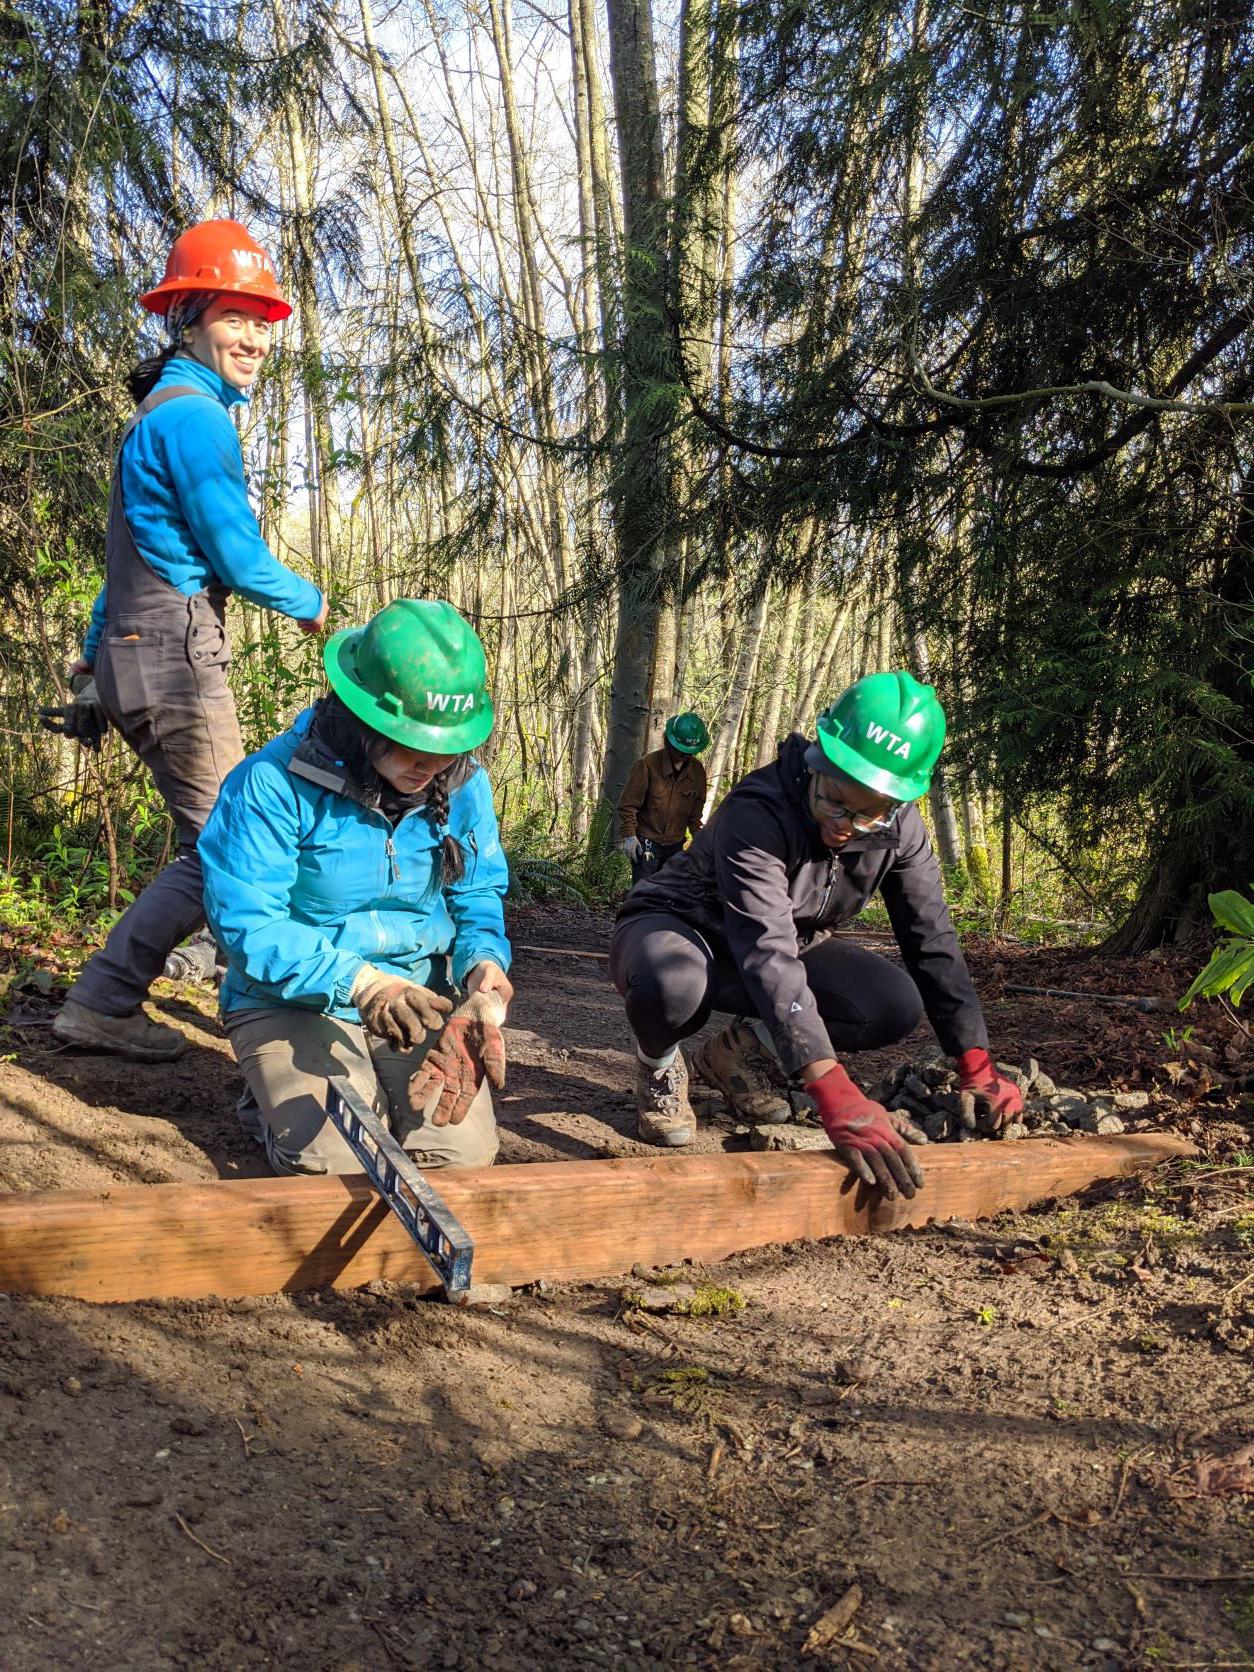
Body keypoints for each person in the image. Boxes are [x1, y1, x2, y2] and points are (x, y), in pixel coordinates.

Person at [45, 220, 327, 1063]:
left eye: (263, 321)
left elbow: (123, 564)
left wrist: (98, 666)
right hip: (175, 658)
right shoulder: (196, 420)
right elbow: (234, 556)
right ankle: (111, 997)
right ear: (191, 318)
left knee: (219, 840)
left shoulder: (154, 415)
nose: (255, 338)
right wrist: (314, 604)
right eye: (235, 318)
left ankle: (152, 991)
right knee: (235, 844)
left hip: (138, 653)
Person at [608, 671, 1023, 1197]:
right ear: (819, 761)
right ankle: (659, 1065)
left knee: (890, 1004)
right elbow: (767, 952)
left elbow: (932, 941)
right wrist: (832, 1090)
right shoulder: (758, 810)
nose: (845, 824)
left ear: (898, 803)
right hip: (681, 928)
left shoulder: (901, 834)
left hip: (785, 946)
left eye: (868, 814)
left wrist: (976, 1063)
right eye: (833, 800)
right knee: (673, 985)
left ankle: (736, 1051)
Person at [198, 599, 513, 1179]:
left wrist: (483, 970)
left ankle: (354, 1081)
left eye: (445, 749)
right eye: (411, 744)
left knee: (458, 1159)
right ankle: (267, 1098)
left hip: (419, 995)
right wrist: (360, 982)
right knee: (340, 1162)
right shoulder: (269, 784)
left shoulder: (464, 785)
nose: (431, 765)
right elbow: (250, 926)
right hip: (289, 998)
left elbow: (477, 893)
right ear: (361, 719)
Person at [617, 712, 710, 886]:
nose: (683, 755)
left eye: (688, 752)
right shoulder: (647, 765)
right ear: (668, 741)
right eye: (679, 750)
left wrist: (701, 843)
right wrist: (630, 836)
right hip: (647, 843)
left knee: (668, 895)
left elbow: (695, 816)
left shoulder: (697, 772)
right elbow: (628, 805)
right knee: (643, 893)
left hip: (675, 845)